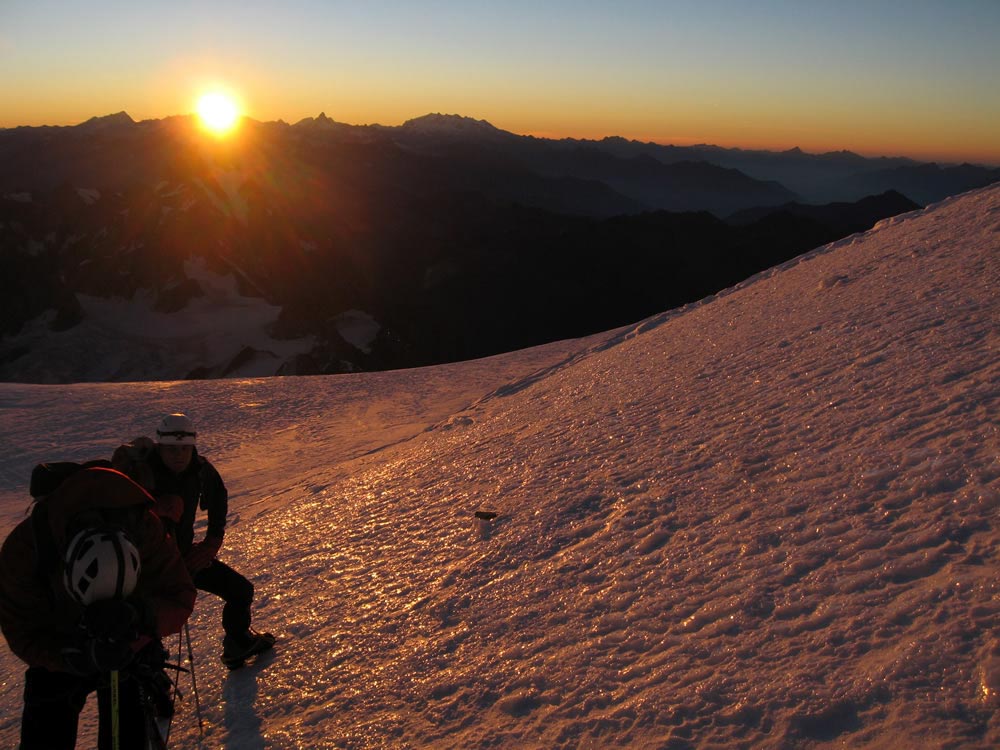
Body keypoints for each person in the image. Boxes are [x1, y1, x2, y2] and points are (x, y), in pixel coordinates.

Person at [0, 464, 196, 750]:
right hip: (63, 647)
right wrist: (70, 656)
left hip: (127, 647)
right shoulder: (27, 548)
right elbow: (24, 631)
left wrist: (140, 616)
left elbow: (177, 594)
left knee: (125, 725)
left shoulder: (141, 525)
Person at [114, 413, 273, 669]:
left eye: (184, 449)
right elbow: (119, 514)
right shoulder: (142, 474)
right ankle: (148, 676)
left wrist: (211, 543)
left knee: (240, 590)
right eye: (172, 449)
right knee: (149, 621)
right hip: (148, 566)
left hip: (184, 558)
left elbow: (219, 497)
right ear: (160, 447)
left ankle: (238, 642)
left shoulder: (199, 470)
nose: (178, 455)